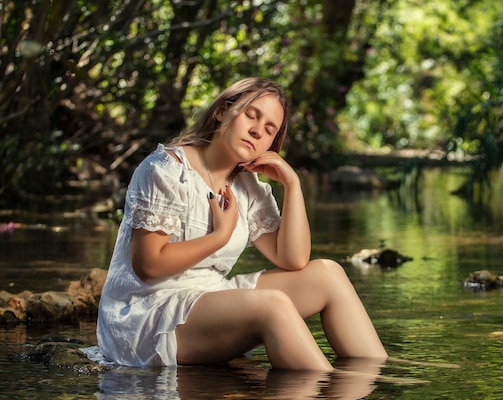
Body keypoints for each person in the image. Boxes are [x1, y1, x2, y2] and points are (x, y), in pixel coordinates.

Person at [96, 77, 388, 370]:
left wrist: (292, 185)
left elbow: (294, 259)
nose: (257, 130)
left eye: (270, 129)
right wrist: (220, 235)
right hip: (149, 315)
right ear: (223, 110)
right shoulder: (166, 170)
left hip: (211, 296)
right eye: (252, 114)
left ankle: (371, 382)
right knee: (273, 305)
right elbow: (148, 267)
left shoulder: (247, 185)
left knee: (328, 274)